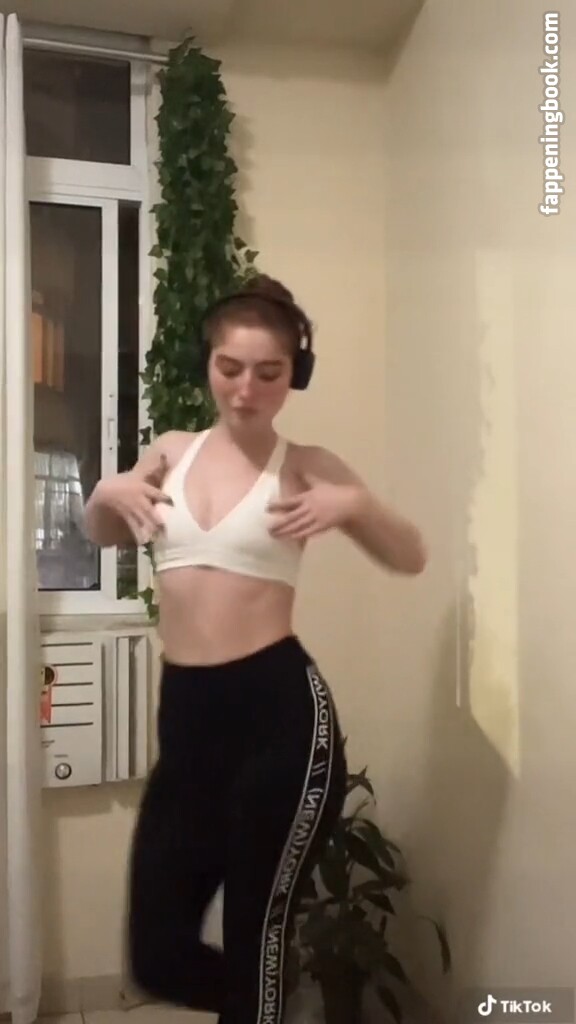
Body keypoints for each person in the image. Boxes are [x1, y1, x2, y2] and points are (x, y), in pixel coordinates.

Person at [83, 275, 427, 1024]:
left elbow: (411, 557)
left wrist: (356, 504)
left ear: (295, 373)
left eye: (269, 373)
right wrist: (106, 493)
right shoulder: (170, 453)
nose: (246, 390)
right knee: (156, 953)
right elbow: (104, 531)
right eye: (229, 368)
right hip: (188, 722)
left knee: (256, 944)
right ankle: (262, 1004)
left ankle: (258, 1001)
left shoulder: (306, 465)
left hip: (279, 723)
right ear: (206, 363)